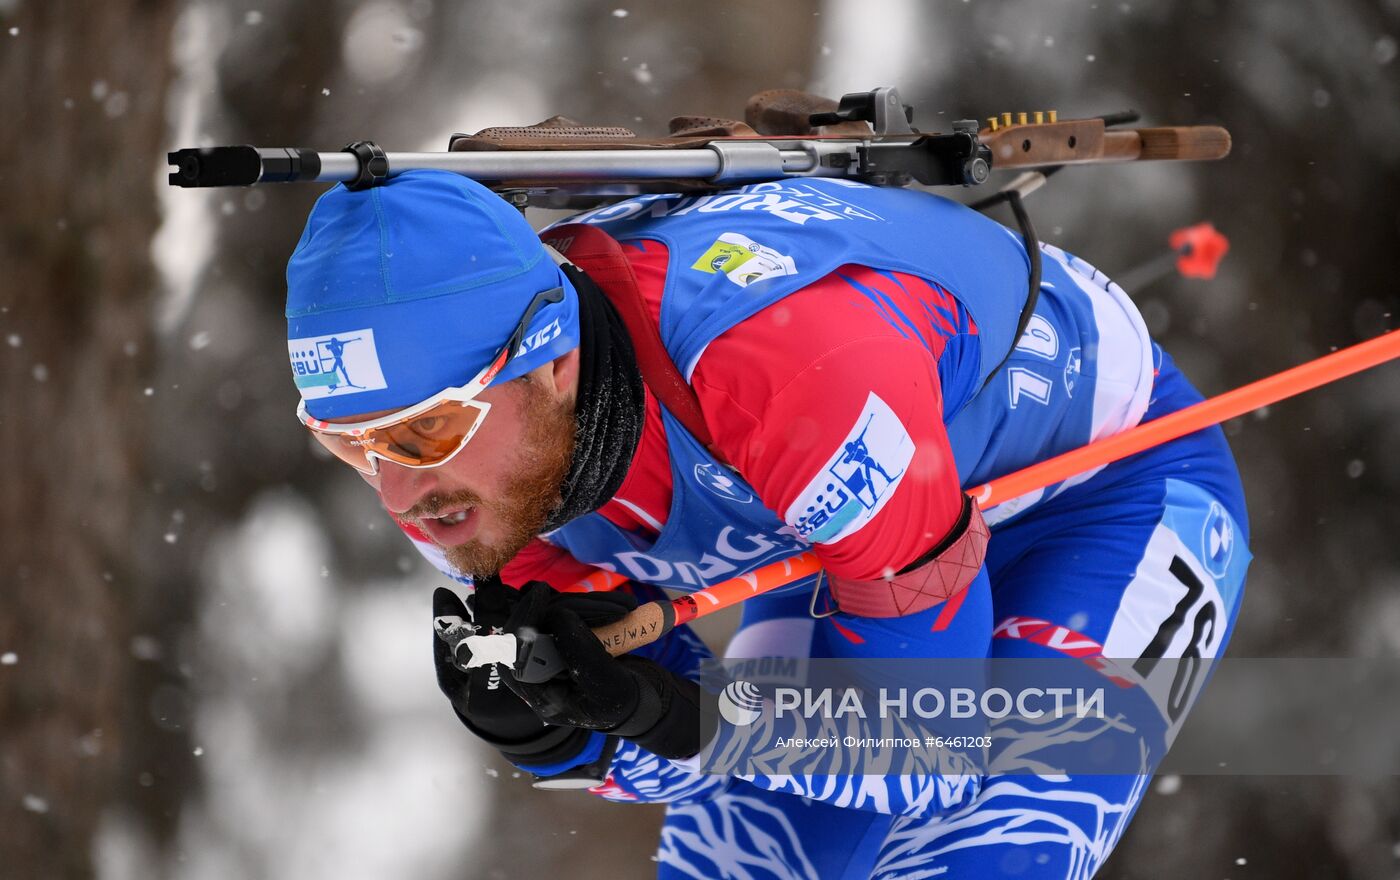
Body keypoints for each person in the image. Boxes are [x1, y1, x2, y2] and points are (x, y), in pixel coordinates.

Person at [284, 169, 1250, 879]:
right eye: (346, 444)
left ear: (554, 363)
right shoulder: (463, 486)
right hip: (842, 548)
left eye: (427, 431)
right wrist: (572, 730)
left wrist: (671, 717)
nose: (397, 494)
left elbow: (923, 757)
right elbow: (676, 740)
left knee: (983, 859)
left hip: (1110, 497)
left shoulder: (788, 373)